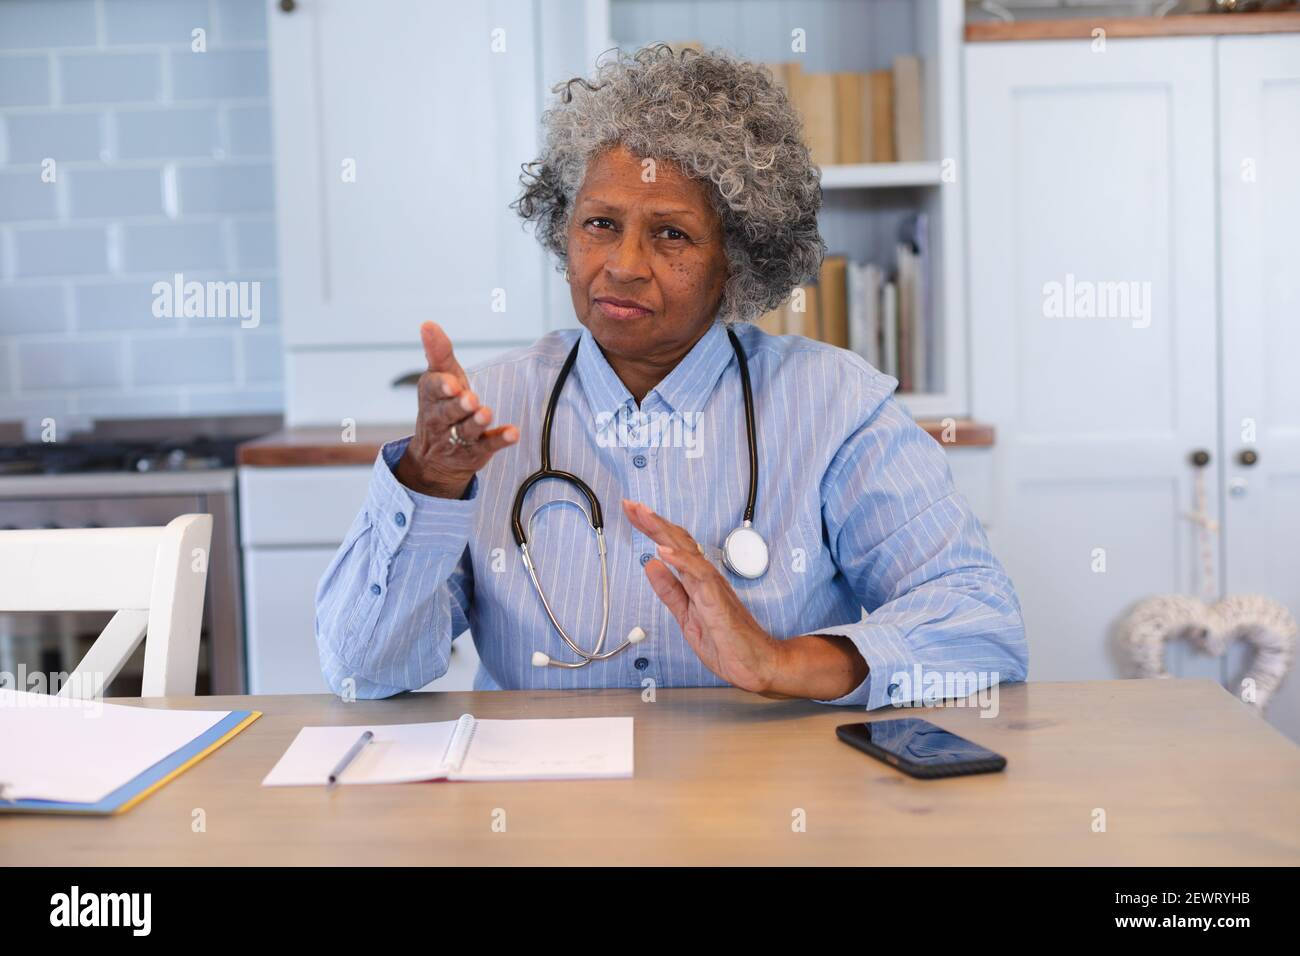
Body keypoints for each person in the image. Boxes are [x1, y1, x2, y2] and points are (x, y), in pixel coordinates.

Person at [315, 44, 1028, 708]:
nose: (624, 263)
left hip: (767, 809)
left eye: (671, 234)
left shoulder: (835, 406)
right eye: (599, 223)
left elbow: (981, 623)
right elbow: (359, 670)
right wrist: (431, 481)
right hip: (547, 818)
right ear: (562, 230)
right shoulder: (489, 413)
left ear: (738, 260)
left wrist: (783, 662)